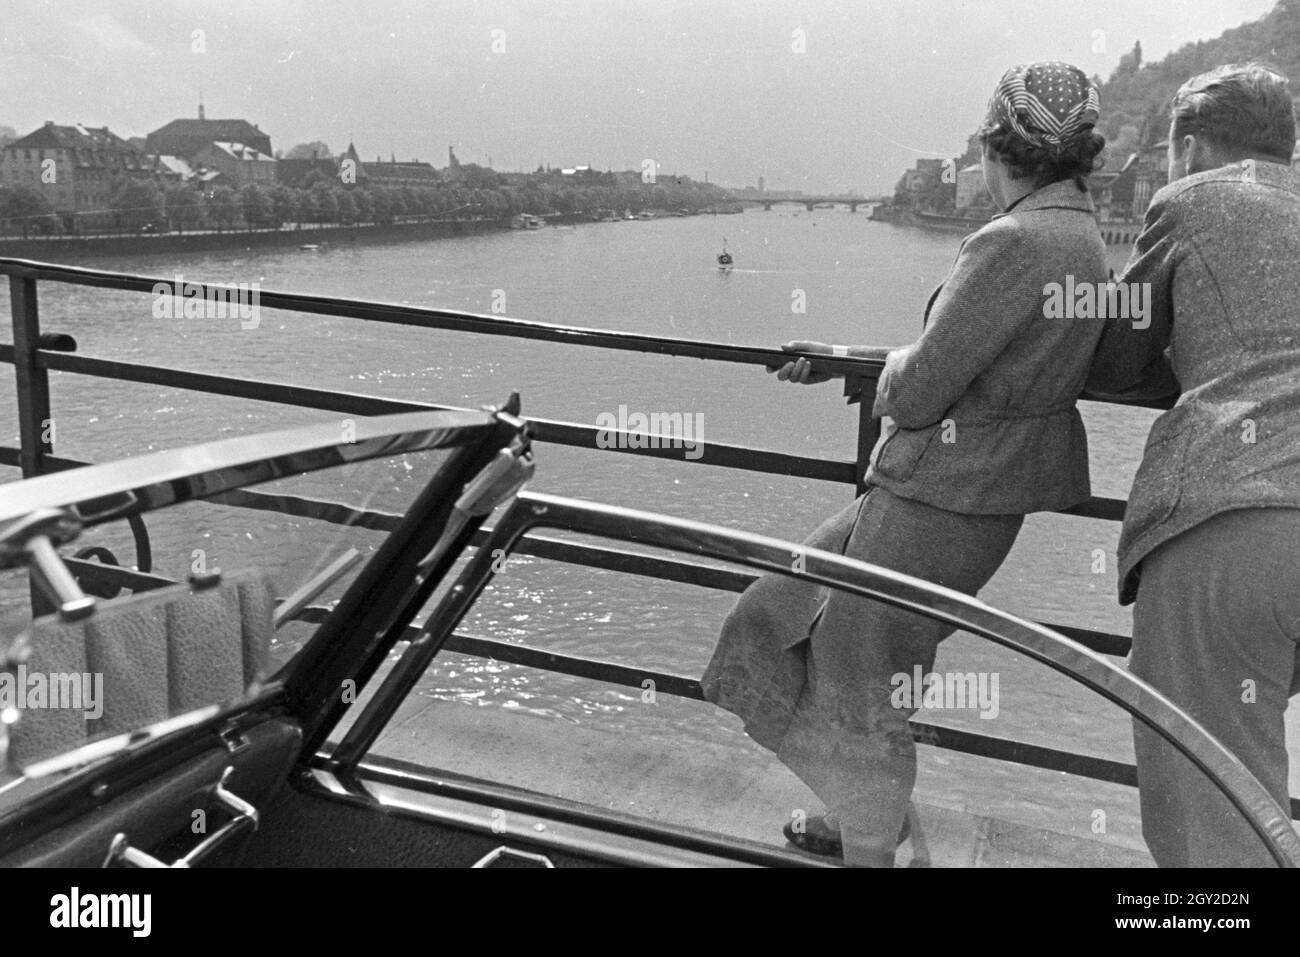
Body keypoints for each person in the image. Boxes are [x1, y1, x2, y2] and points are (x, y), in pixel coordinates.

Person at [701, 62, 1110, 866]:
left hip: (937, 495)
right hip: (963, 499)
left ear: (999, 150)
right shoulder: (1082, 234)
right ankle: (864, 815)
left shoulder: (1013, 241)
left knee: (859, 681)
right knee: (783, 620)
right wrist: (861, 359)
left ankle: (869, 843)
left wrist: (882, 374)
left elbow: (920, 388)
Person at [1085, 62, 1300, 867]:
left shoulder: (1194, 201)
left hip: (1239, 515)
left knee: (1211, 810)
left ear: (1192, 146)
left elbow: (1113, 352)